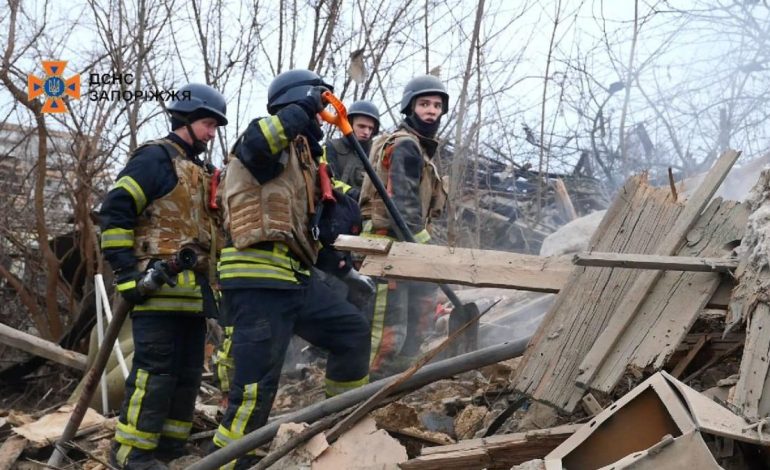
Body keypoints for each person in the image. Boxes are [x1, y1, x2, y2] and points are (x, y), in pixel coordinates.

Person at [211, 69, 373, 469]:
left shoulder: (305, 162)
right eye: (320, 106)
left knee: (350, 333)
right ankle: (228, 462)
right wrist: (307, 106)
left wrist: (345, 269)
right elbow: (257, 145)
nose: (323, 118)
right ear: (302, 101)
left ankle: (340, 425)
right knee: (254, 391)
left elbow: (305, 233)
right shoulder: (263, 142)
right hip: (257, 279)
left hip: (294, 279)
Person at [100, 83, 228, 469]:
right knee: (154, 374)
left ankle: (170, 449)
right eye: (207, 124)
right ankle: (133, 455)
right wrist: (126, 274)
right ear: (185, 120)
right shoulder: (153, 159)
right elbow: (115, 211)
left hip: (193, 295)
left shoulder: (203, 171)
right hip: (155, 290)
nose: (211, 133)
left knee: (187, 375)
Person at [359, 74, 449, 379]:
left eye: (437, 105)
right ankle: (365, 390)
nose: (432, 110)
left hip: (406, 243)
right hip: (389, 245)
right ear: (410, 108)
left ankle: (400, 379)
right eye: (424, 104)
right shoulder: (405, 146)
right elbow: (403, 203)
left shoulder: (418, 149)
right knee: (389, 328)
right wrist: (427, 250)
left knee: (421, 311)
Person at [324, 99, 381, 200]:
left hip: (366, 211)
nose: (366, 132)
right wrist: (355, 195)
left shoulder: (376, 153)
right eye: (361, 126)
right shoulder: (331, 147)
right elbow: (329, 181)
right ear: (349, 124)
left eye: (370, 128)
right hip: (335, 207)